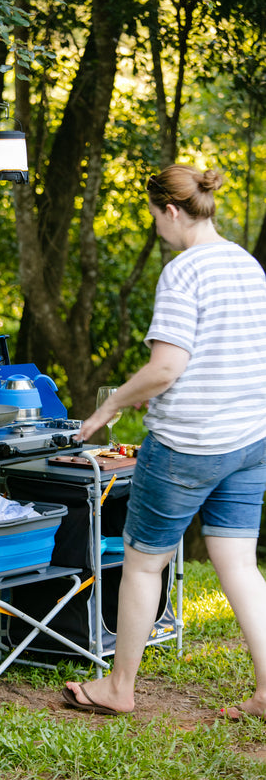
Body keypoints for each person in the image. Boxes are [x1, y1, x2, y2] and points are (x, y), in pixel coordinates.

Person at [62, 164, 266, 720]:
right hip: (250, 440)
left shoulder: (184, 271)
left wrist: (108, 406)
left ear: (171, 211)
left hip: (189, 446)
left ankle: (118, 687)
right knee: (240, 566)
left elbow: (166, 366)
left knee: (143, 564)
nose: (156, 228)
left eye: (154, 217)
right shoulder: (248, 265)